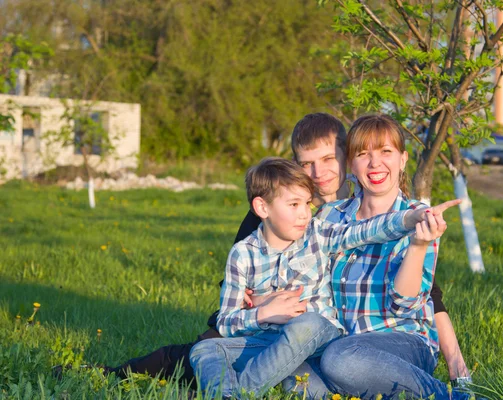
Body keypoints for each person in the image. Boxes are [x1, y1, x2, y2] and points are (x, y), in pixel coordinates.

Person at [105, 113, 469, 388]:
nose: (318, 172)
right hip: (278, 322)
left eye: (328, 159)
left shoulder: (379, 216)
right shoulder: (294, 212)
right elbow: (240, 282)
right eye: (306, 163)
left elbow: (426, 293)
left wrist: (454, 358)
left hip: (342, 335)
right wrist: (263, 305)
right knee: (203, 353)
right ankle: (116, 375)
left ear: (345, 158)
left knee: (331, 358)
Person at [188, 156, 439, 397]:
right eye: (293, 205)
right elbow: (226, 322)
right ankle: (228, 393)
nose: (304, 214)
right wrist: (262, 314)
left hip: (322, 337)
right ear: (262, 207)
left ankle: (241, 392)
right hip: (274, 346)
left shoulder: (318, 234)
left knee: (305, 325)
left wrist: (408, 218)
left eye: (307, 204)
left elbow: (365, 231)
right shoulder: (242, 255)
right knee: (205, 350)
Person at [293, 114, 471, 399]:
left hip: (402, 342)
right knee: (296, 373)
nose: (375, 163)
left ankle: (447, 396)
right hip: (343, 342)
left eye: (385, 152)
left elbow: (404, 305)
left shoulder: (418, 217)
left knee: (340, 360)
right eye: (363, 154)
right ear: (351, 164)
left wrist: (417, 246)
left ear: (402, 159)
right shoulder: (330, 216)